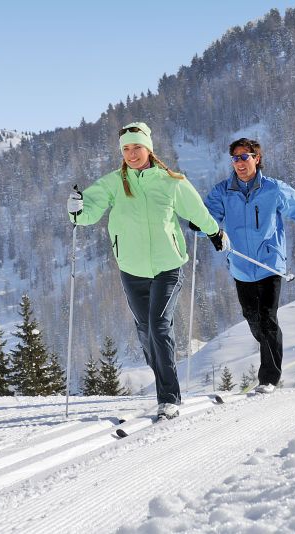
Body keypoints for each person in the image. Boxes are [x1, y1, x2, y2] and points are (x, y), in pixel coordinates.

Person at [66, 122, 225, 419]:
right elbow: (86, 215)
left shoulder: (171, 181)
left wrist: (215, 233)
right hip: (132, 269)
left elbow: (197, 212)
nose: (131, 153)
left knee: (158, 325)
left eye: (136, 147)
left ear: (148, 148)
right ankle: (164, 374)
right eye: (126, 149)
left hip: (168, 266)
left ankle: (169, 397)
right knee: (145, 330)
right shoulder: (114, 182)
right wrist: (75, 209)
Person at [199, 137, 295, 393]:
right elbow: (207, 218)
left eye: (245, 157)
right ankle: (271, 348)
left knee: (267, 318)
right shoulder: (223, 192)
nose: (240, 163)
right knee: (252, 317)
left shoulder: (274, 189)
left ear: (257, 158)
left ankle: (268, 378)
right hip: (241, 266)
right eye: (235, 158)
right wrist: (200, 225)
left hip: (269, 264)